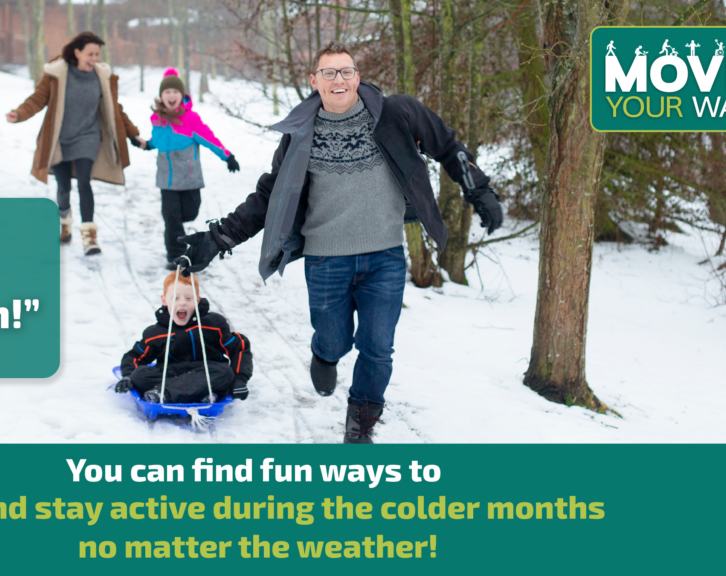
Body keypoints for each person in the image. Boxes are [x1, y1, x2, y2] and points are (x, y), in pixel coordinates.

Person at [177, 42, 503, 443]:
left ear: (358, 77)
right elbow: (270, 195)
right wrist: (219, 236)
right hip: (325, 260)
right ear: (314, 81)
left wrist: (479, 190)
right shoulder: (300, 134)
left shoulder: (395, 114)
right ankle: (326, 354)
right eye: (329, 73)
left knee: (378, 346)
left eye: (346, 71)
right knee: (334, 339)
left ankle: (361, 419)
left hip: (385, 255)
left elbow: (448, 145)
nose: (339, 80)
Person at [6, 31, 145, 256]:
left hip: (88, 138)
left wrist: (132, 134)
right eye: (90, 54)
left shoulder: (101, 77)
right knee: (63, 187)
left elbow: (115, 109)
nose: (95, 59)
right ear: (77, 53)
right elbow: (38, 99)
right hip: (60, 139)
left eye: (97, 54)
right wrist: (19, 114)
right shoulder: (57, 74)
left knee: (84, 183)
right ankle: (64, 221)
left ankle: (89, 237)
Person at [136, 68, 240, 269]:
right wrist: (146, 144)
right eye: (167, 92)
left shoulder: (190, 119)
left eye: (175, 92)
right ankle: (175, 256)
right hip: (166, 179)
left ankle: (177, 228)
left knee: (190, 213)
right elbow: (157, 140)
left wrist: (227, 156)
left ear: (182, 95)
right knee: (171, 217)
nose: (171, 96)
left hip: (189, 177)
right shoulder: (157, 119)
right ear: (162, 96)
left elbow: (210, 139)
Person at [115, 271, 252, 404]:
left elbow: (239, 346)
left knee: (224, 372)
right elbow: (135, 356)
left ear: (197, 300)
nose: (182, 303)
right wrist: (128, 375)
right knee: (139, 375)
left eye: (188, 298)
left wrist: (240, 379)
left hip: (205, 372)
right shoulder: (156, 332)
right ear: (164, 300)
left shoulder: (212, 324)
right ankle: (202, 394)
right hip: (171, 373)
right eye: (175, 298)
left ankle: (165, 394)